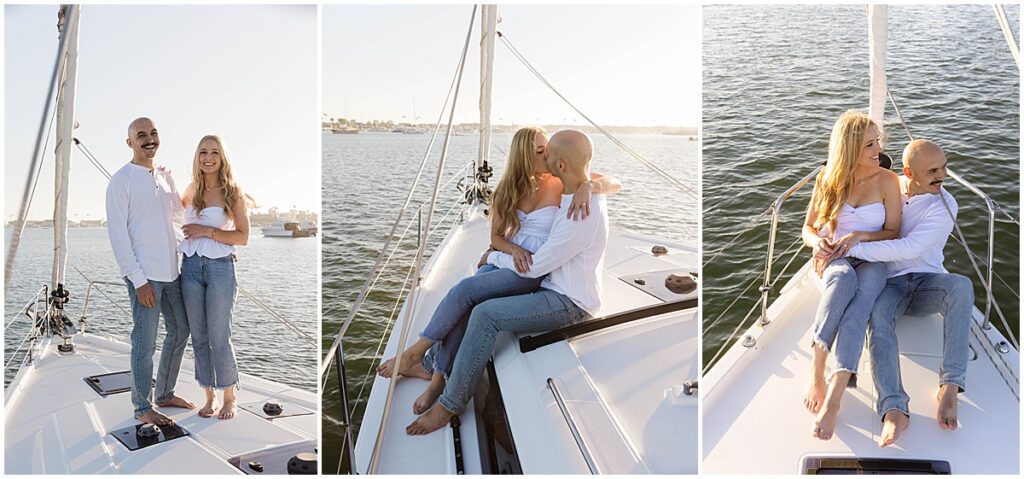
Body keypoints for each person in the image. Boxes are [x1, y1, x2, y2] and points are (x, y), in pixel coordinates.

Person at [376, 127, 620, 415]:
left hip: (531, 267)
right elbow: (496, 239)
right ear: (524, 157)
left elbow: (611, 180)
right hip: (512, 258)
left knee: (466, 291)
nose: (547, 156)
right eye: (540, 151)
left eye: (548, 151)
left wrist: (590, 187)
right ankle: (435, 374)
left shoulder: (562, 181)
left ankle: (419, 355)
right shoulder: (508, 190)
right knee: (469, 296)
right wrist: (503, 252)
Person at [838, 139, 972, 447]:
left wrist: (854, 245)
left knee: (962, 286)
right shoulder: (890, 185)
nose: (944, 176)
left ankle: (950, 385)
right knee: (877, 314)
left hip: (928, 282)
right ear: (908, 172)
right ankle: (895, 407)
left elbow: (909, 247)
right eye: (934, 170)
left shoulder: (946, 205)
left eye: (945, 167)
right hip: (890, 283)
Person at [800, 110, 901, 440]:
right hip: (836, 259)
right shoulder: (828, 177)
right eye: (870, 144)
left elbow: (893, 232)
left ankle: (834, 396)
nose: (879, 150)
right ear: (850, 148)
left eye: (878, 142)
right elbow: (808, 228)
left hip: (871, 257)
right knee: (842, 280)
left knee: (859, 309)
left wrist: (859, 237)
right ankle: (817, 372)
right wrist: (819, 244)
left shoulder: (888, 181)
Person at [106, 117, 195, 425]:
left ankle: (165, 393)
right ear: (129, 142)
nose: (149, 139)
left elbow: (177, 219)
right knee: (145, 343)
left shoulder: (166, 177)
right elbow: (118, 234)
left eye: (153, 133)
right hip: (145, 277)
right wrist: (138, 279)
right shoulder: (121, 180)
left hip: (173, 273)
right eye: (140, 135)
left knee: (181, 330)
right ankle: (141, 407)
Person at [179, 135, 251, 420]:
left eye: (214, 153)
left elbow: (243, 237)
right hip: (191, 268)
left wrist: (204, 231)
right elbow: (171, 213)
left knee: (219, 336)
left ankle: (229, 397)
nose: (208, 157)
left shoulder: (232, 191)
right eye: (203, 152)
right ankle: (209, 396)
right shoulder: (191, 189)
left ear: (222, 158)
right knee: (198, 336)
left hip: (221, 267)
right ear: (197, 157)